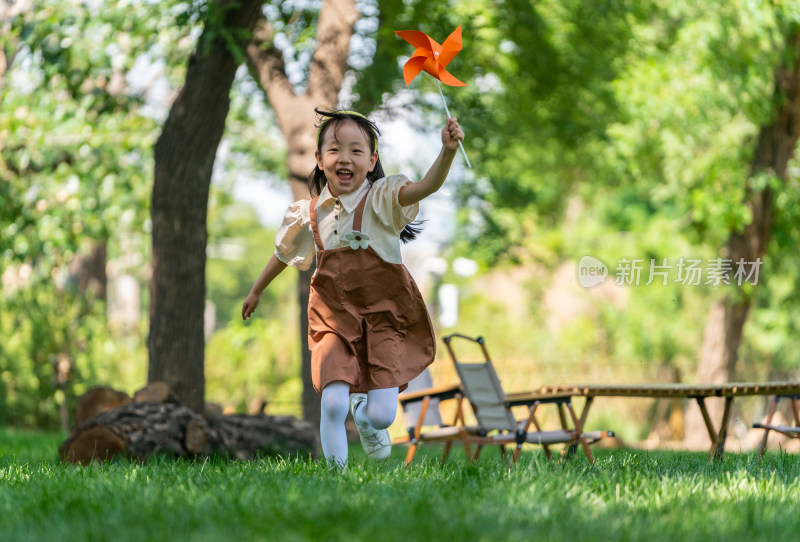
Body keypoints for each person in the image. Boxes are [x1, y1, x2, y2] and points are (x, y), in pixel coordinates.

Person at [242, 108, 465, 465]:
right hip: (335, 317)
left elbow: (427, 185)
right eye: (334, 149)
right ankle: (335, 480)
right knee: (331, 402)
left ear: (372, 159)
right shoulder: (310, 213)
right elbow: (283, 253)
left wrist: (448, 151)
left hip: (385, 317)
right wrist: (256, 289)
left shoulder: (384, 197)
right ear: (319, 159)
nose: (344, 157)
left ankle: (364, 416)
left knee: (382, 416)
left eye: (356, 150)